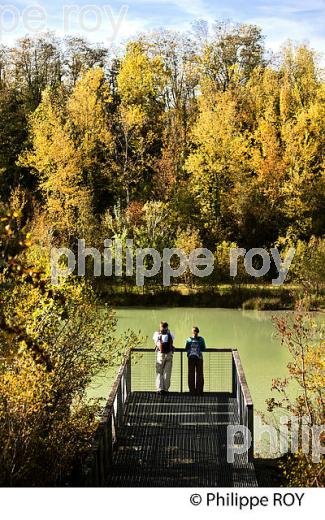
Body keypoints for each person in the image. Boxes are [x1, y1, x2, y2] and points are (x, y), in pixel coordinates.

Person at [153, 321, 174, 395]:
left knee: (159, 371)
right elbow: (172, 341)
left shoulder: (157, 333)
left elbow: (156, 342)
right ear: (167, 326)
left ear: (160, 326)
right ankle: (166, 389)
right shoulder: (170, 333)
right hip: (169, 354)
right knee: (167, 372)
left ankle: (160, 388)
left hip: (160, 354)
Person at [185, 326, 206, 395]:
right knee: (199, 374)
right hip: (199, 358)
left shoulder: (188, 339)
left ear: (192, 332)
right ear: (198, 332)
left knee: (191, 374)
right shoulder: (201, 339)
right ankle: (199, 391)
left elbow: (186, 348)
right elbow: (203, 349)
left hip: (191, 358)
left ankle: (192, 391)